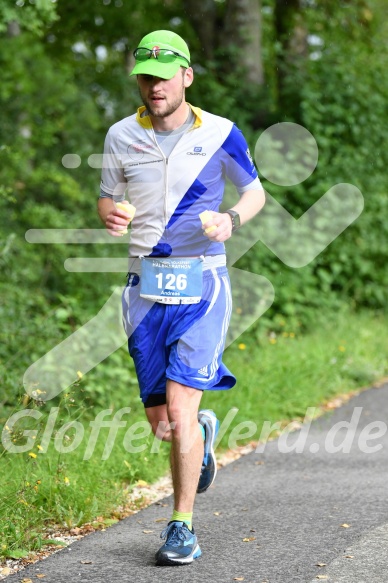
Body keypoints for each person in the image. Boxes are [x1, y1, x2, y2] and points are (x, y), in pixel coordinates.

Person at [97, 29, 265, 566]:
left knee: (179, 405)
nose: (154, 84)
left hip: (203, 284)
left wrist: (231, 219)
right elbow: (106, 199)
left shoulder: (220, 133)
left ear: (186, 76)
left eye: (164, 74)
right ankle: (202, 436)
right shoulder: (121, 135)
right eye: (145, 75)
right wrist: (112, 216)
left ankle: (181, 525)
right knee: (165, 424)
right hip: (143, 288)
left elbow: (254, 190)